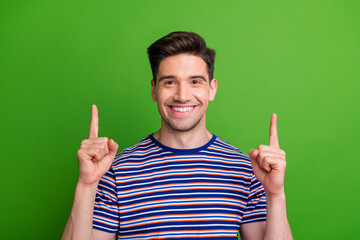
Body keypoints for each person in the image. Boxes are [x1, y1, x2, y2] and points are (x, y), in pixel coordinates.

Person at [62, 31, 293, 240]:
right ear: (154, 89)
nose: (182, 96)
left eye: (195, 82)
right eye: (170, 82)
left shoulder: (246, 169)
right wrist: (86, 186)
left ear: (211, 89)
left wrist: (275, 195)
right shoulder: (117, 170)